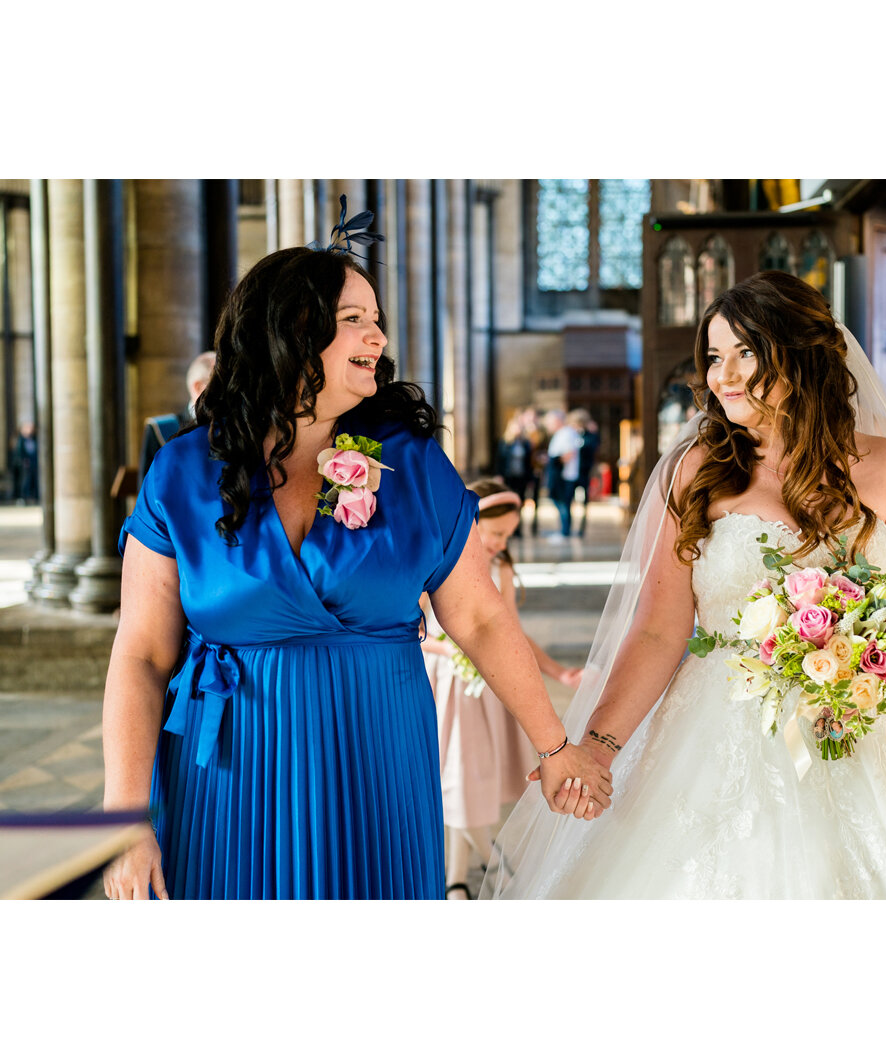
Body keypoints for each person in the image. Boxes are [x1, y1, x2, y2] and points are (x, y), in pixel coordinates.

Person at [482, 271, 886, 900]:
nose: (722, 375)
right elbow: (656, 628)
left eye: (745, 354)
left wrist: (853, 647)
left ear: (798, 355)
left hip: (854, 721)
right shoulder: (697, 472)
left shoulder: (883, 465)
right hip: (715, 731)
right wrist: (598, 746)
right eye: (714, 357)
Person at [101, 219, 612, 900]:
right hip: (224, 772)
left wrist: (555, 749)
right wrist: (124, 817)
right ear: (290, 331)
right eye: (354, 320)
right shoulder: (181, 472)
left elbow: (481, 619)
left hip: (375, 756)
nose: (379, 338)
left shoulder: (412, 463)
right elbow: (140, 653)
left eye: (377, 320)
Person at [421, 478, 584, 898]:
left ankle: (455, 882)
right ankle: (496, 867)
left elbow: (509, 632)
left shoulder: (501, 568)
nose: (499, 543)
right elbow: (417, 627)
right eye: (494, 533)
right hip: (446, 687)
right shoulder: (438, 556)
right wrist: (453, 652)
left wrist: (556, 671)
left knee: (469, 784)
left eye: (508, 535)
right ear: (471, 523)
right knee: (456, 782)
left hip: (484, 691)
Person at [138, 351, 216, 484]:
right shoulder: (161, 430)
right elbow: (147, 491)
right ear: (197, 387)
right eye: (218, 385)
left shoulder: (230, 428)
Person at [543, 410, 582, 540]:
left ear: (557, 421)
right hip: (560, 474)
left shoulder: (566, 433)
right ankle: (564, 530)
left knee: (563, 503)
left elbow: (569, 454)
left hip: (564, 476)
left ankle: (565, 531)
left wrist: (555, 461)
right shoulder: (561, 433)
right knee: (560, 502)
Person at [567, 408, 599, 538]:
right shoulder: (570, 434)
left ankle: (581, 528)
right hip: (571, 472)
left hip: (584, 471)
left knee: (584, 500)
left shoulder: (590, 435)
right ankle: (568, 526)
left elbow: (592, 448)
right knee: (568, 499)